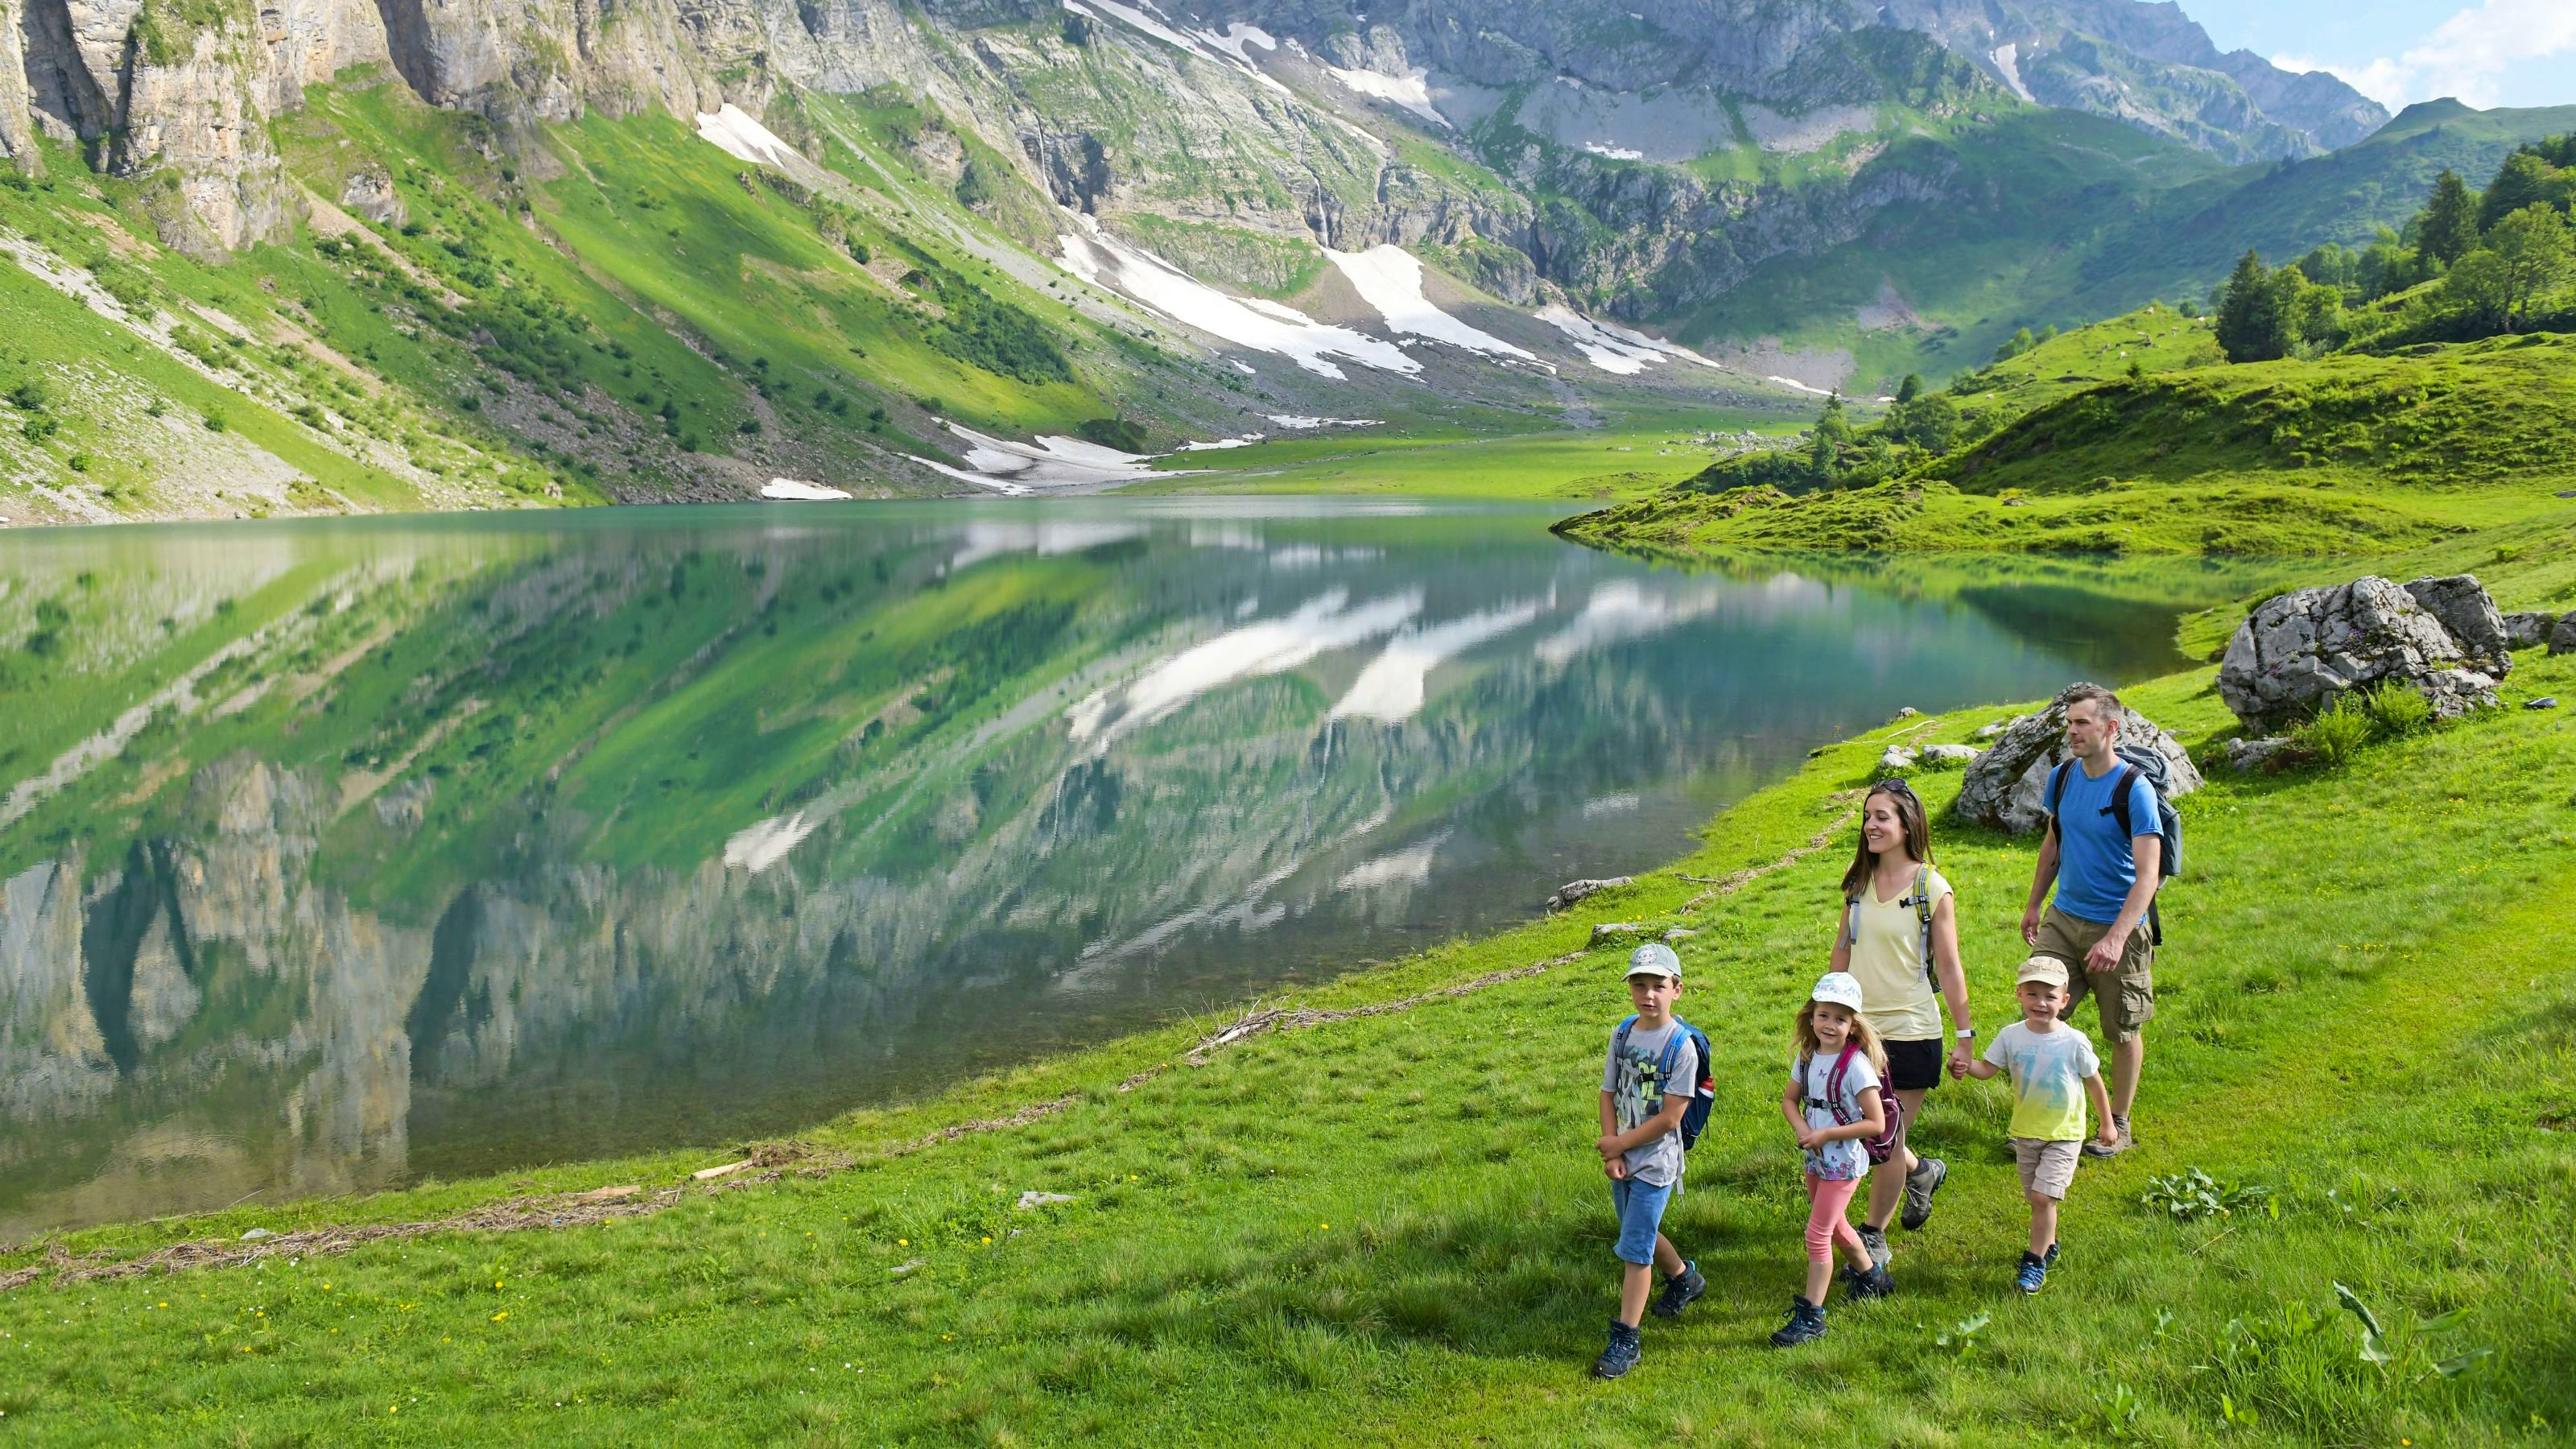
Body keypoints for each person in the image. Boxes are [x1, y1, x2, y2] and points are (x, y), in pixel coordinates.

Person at [1829, 778, 1975, 1272]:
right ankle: (1924, 1172)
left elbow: (1950, 966)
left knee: (1884, 1139)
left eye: (1881, 817)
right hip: (1859, 1030)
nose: (1870, 825)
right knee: (1879, 1137)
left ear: (1906, 823)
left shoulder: (1930, 887)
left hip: (1913, 1030)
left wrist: (1965, 1035)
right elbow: (1843, 953)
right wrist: (1826, 1014)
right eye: (1867, 816)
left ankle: (1872, 1236)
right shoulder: (1858, 885)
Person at [2019, 683, 2161, 1158]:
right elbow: (2053, 844)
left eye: (2081, 723)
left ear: (2110, 728)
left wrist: (2117, 938)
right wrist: (2036, 904)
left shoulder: (2133, 789)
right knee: (2040, 1013)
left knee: (2122, 1027)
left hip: (2117, 925)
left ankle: (2117, 1123)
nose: (2072, 732)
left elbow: (2148, 876)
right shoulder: (2062, 778)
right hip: (2063, 917)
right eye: (2069, 723)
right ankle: (2040, 1121)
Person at [1957, 956, 2120, 1293]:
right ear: (2019, 995)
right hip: (2027, 1132)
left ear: (2065, 1000)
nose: (2040, 1003)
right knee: (2036, 1198)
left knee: (2043, 1198)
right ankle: (2048, 1242)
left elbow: (2095, 1083)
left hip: (2065, 1133)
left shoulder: (2073, 1041)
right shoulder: (2011, 1036)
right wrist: (1964, 1066)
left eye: (2049, 996)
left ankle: (2034, 1261)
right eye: (2032, 994)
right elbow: (1988, 1069)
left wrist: (2107, 1124)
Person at [1591, 943, 1707, 1379]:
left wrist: (1620, 1145)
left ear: (1677, 989)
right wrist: (1610, 1142)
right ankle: (1684, 1278)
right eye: (1639, 985)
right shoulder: (1623, 1034)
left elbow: (1671, 1117)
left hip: (1656, 1162)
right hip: (1622, 1154)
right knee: (1636, 1231)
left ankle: (1626, 1340)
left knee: (1635, 1250)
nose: (1648, 994)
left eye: (1658, 986)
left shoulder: (1682, 1047)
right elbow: (1607, 1092)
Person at [1770, 971, 1892, 1348]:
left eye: (1840, 1018)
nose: (1830, 1025)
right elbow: (1789, 1100)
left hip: (1842, 1163)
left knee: (1817, 1234)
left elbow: (1876, 1122)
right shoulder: (1807, 1058)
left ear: (1853, 1023)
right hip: (1816, 1158)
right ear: (1812, 1015)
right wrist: (1803, 1128)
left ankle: (1812, 1316)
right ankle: (1872, 1277)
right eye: (1824, 1015)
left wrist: (1825, 1134)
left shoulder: (1856, 1066)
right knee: (1837, 1228)